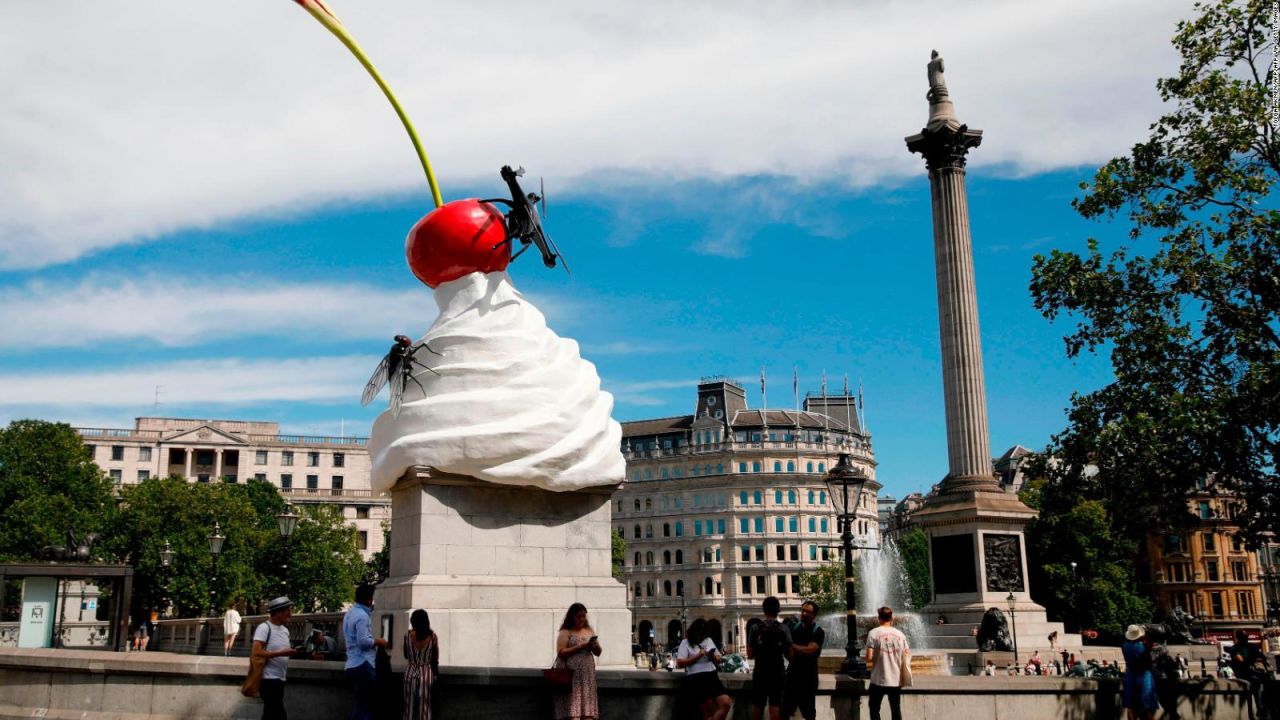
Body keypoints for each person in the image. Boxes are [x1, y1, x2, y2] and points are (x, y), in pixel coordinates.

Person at [343, 584, 390, 720]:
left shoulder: (349, 614)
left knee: (359, 705)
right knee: (366, 707)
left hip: (351, 664)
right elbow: (363, 642)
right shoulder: (362, 616)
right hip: (363, 664)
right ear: (369, 600)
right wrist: (378, 641)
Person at [746, 596, 792, 720]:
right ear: (778, 611)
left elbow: (750, 654)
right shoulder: (783, 628)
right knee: (775, 705)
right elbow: (790, 655)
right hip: (777, 670)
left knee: (758, 705)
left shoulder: (755, 628)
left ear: (764, 610)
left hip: (760, 670)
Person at [676, 618, 731, 720]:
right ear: (694, 632)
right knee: (708, 711)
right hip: (697, 678)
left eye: (704, 634)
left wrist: (712, 657)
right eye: (700, 634)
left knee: (726, 703)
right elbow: (680, 663)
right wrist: (698, 656)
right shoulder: (685, 643)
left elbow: (718, 659)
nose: (702, 636)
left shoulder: (708, 640)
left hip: (712, 676)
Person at [554, 602, 601, 720]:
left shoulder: (589, 630)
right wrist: (580, 647)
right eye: (578, 616)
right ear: (572, 617)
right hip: (572, 676)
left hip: (587, 676)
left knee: (588, 713)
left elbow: (598, 652)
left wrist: (595, 646)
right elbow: (560, 652)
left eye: (584, 616)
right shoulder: (566, 631)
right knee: (573, 713)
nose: (582, 619)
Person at [253, 597, 296, 720]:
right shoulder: (264, 628)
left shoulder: (285, 630)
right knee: (278, 714)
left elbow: (283, 652)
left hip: (280, 678)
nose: (290, 614)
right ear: (277, 612)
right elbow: (256, 652)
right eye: (288, 611)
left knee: (270, 714)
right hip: (268, 679)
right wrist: (280, 653)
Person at [782, 601, 825, 720]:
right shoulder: (794, 628)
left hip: (808, 678)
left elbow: (810, 650)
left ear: (814, 615)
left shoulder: (818, 631)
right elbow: (786, 649)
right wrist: (790, 653)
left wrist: (792, 646)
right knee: (784, 711)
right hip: (792, 676)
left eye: (808, 612)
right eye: (803, 610)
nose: (804, 613)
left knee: (809, 714)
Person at [865, 606, 909, 720]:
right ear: (892, 618)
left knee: (874, 708)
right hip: (895, 679)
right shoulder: (900, 635)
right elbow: (907, 654)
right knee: (895, 709)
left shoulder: (873, 633)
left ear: (879, 618)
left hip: (878, 679)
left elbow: (869, 657)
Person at [402, 609, 439, 720]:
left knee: (408, 707)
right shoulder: (432, 636)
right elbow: (435, 658)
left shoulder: (407, 635)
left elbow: (406, 655)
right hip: (426, 673)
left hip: (410, 673)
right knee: (425, 707)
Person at [1228, 629, 1269, 718]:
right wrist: (1254, 660)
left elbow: (1262, 658)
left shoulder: (1252, 646)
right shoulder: (1234, 648)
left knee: (1268, 681)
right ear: (1238, 638)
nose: (1246, 639)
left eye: (1246, 637)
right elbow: (1240, 661)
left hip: (1256, 671)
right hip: (1243, 674)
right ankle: (1260, 708)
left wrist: (1254, 660)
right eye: (1244, 637)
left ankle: (1263, 707)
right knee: (1256, 682)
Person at [1122, 625, 1158, 720]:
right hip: (1144, 676)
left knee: (1130, 707)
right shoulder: (1143, 647)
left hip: (1130, 677)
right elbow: (1149, 661)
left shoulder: (1125, 646)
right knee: (1148, 707)